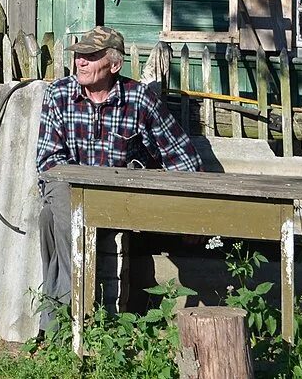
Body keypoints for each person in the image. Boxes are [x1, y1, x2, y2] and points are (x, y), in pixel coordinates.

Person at [35, 25, 200, 332]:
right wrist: (79, 189)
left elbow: (180, 155)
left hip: (119, 197)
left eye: (90, 56)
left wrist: (194, 210)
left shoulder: (138, 100)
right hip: (68, 187)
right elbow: (48, 159)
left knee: (48, 221)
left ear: (113, 64)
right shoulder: (59, 94)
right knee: (52, 213)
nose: (80, 62)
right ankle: (75, 318)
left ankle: (63, 325)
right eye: (79, 56)